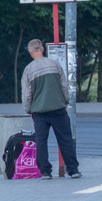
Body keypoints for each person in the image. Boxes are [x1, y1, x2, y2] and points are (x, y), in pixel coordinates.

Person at [21, 39, 80, 180]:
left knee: (41, 141)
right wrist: (65, 101)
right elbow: (64, 86)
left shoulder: (28, 70)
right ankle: (72, 170)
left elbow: (27, 94)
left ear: (30, 52)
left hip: (39, 112)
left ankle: (45, 171)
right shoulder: (55, 65)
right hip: (58, 108)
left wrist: (29, 109)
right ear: (42, 49)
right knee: (65, 139)